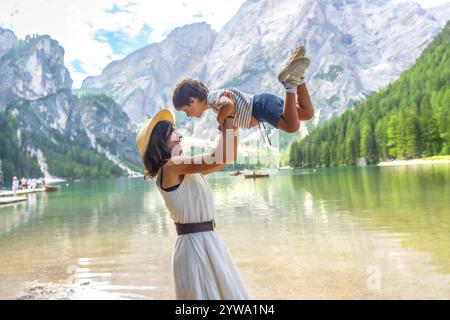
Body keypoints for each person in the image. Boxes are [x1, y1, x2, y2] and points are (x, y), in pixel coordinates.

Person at [136, 109, 252, 300]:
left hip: (207, 241)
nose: (179, 134)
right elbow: (220, 156)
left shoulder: (181, 169)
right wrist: (228, 117)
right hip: (195, 245)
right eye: (172, 132)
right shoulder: (172, 167)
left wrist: (231, 126)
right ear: (160, 141)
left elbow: (227, 157)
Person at [172, 45, 315, 143]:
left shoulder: (213, 98)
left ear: (192, 101)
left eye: (185, 110)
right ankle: (298, 76)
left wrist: (220, 120)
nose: (188, 115)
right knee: (307, 113)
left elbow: (228, 104)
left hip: (261, 107)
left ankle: (290, 83)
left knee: (292, 126)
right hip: (263, 104)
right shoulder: (213, 101)